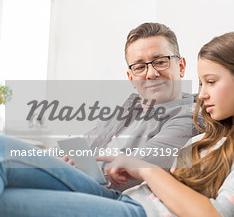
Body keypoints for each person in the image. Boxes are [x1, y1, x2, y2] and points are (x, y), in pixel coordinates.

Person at [0, 32, 234, 217]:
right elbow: (168, 182)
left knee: (7, 206)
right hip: (131, 201)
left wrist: (144, 170)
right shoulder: (212, 137)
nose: (201, 94)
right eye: (202, 83)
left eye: (211, 82)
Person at [67, 23, 199, 185]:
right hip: (72, 180)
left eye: (160, 62)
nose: (151, 74)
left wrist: (75, 168)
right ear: (131, 78)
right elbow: (78, 146)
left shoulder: (188, 117)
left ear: (181, 67)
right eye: (140, 67)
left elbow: (130, 171)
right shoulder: (128, 109)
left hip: (102, 192)